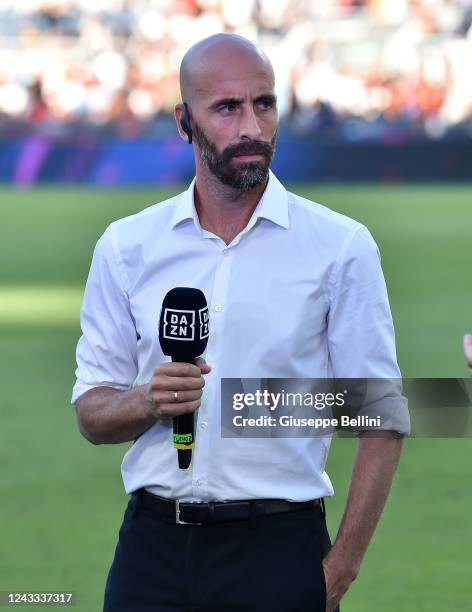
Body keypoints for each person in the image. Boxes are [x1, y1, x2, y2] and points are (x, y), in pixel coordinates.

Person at [72, 33, 410, 612]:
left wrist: (339, 571)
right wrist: (147, 401)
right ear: (185, 121)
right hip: (152, 549)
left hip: (279, 549)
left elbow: (381, 416)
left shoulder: (340, 247)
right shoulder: (127, 246)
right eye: (227, 108)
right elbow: (91, 413)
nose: (251, 126)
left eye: (265, 104)